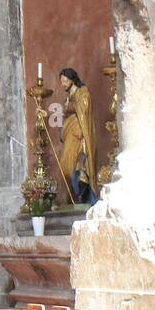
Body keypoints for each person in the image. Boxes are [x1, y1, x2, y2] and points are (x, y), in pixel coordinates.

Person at [58, 67, 98, 206]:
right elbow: (66, 110)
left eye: (65, 81)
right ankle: (80, 193)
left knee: (81, 165)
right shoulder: (70, 96)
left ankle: (85, 196)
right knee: (67, 164)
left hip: (82, 133)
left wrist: (70, 106)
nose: (62, 84)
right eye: (61, 81)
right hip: (72, 133)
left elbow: (83, 107)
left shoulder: (83, 91)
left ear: (72, 80)